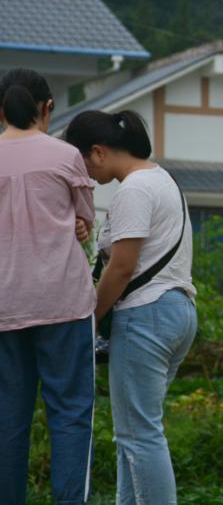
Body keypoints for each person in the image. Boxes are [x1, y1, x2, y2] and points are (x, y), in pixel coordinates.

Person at [64, 109, 197, 505]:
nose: (87, 177)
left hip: (145, 313)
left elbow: (121, 267)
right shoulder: (163, 179)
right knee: (133, 434)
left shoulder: (134, 189)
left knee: (140, 435)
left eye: (84, 164)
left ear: (98, 151)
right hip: (176, 311)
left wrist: (91, 318)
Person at [0, 69, 96, 505]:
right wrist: (76, 224)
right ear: (47, 107)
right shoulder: (65, 155)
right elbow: (84, 218)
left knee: (7, 418)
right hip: (63, 301)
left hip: (5, 304)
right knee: (71, 413)